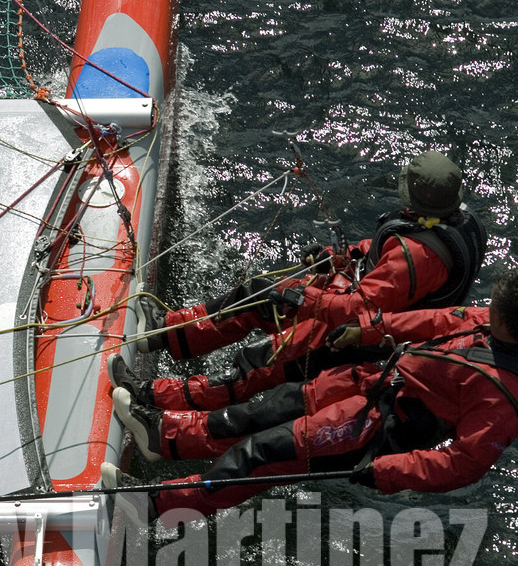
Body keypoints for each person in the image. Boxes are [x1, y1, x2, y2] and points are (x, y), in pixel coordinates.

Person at [104, 269, 518, 516]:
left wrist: (386, 470)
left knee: (262, 456)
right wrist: (368, 330)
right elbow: (434, 323)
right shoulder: (486, 324)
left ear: (505, 321)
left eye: (491, 307)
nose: (483, 309)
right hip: (369, 384)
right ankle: (163, 435)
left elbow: (462, 464)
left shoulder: (505, 401)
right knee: (268, 409)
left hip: (375, 431)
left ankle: (153, 505)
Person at [114, 150, 488, 413]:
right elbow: (380, 255)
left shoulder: (420, 257)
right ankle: (162, 333)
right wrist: (340, 256)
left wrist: (301, 297)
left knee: (256, 365)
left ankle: (152, 399)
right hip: (356, 305)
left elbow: (359, 310)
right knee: (257, 295)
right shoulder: (451, 224)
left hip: (361, 337)